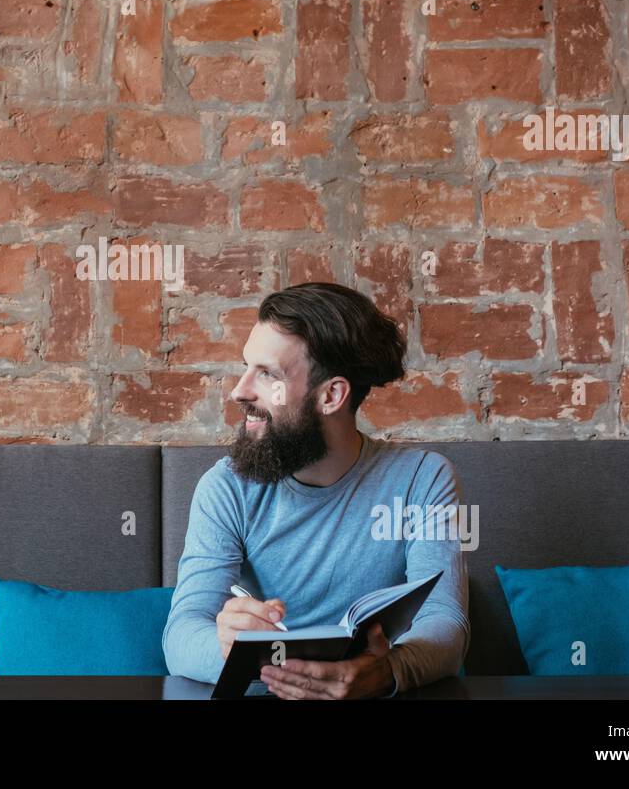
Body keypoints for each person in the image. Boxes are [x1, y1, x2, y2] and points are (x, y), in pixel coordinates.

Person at [162, 282, 470, 698]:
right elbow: (181, 634)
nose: (239, 391)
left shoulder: (423, 479)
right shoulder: (226, 487)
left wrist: (386, 672)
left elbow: (446, 621)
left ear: (331, 395)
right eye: (246, 367)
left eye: (267, 374)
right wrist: (227, 647)